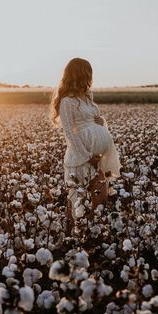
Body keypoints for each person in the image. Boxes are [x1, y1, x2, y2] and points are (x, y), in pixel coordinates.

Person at [50, 57, 121, 220]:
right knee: (76, 211)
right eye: (89, 73)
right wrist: (88, 157)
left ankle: (95, 240)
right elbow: (69, 133)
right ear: (80, 75)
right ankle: (74, 241)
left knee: (100, 207)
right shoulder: (67, 102)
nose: (91, 77)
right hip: (80, 161)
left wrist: (102, 122)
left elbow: (95, 121)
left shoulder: (88, 96)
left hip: (97, 160)